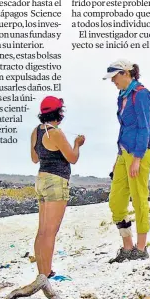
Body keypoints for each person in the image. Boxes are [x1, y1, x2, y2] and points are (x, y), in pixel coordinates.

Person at [103, 60, 150, 263]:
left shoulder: (141, 94)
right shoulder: (122, 96)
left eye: (115, 77)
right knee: (116, 200)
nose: (113, 82)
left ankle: (141, 249)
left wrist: (137, 157)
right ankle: (127, 246)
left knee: (139, 197)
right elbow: (124, 128)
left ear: (126, 73)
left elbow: (144, 126)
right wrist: (119, 157)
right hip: (124, 152)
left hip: (140, 152)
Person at [30, 96, 85, 277]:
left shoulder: (36, 132)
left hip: (42, 178)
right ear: (59, 113)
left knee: (42, 231)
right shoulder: (55, 133)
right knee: (50, 232)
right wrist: (77, 144)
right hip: (56, 181)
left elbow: (35, 158)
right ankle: (45, 275)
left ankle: (42, 273)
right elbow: (72, 158)